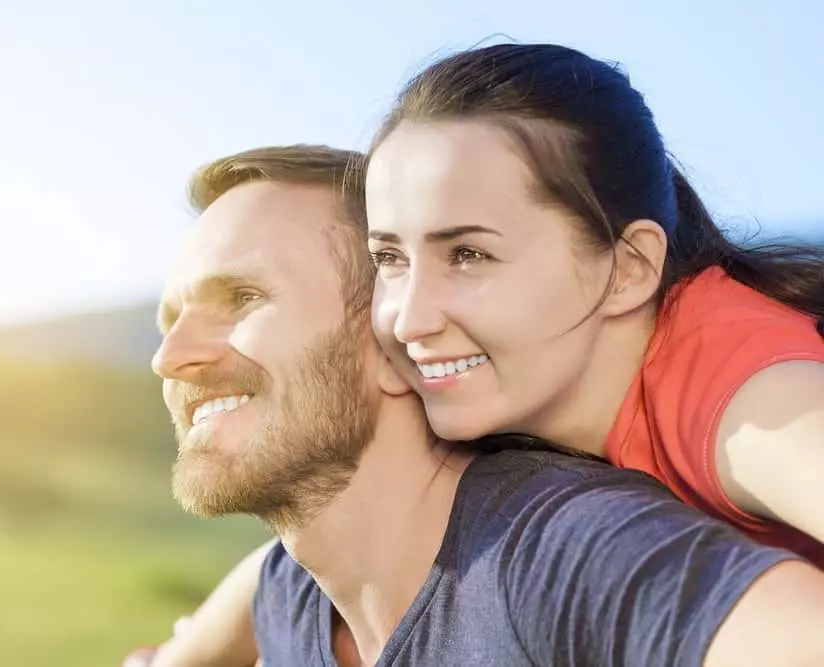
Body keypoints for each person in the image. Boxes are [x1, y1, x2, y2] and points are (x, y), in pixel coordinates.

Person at [129, 41, 824, 667]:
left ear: (629, 266)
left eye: (468, 253)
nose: (407, 316)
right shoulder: (514, 419)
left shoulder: (749, 400)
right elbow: (283, 568)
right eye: (391, 258)